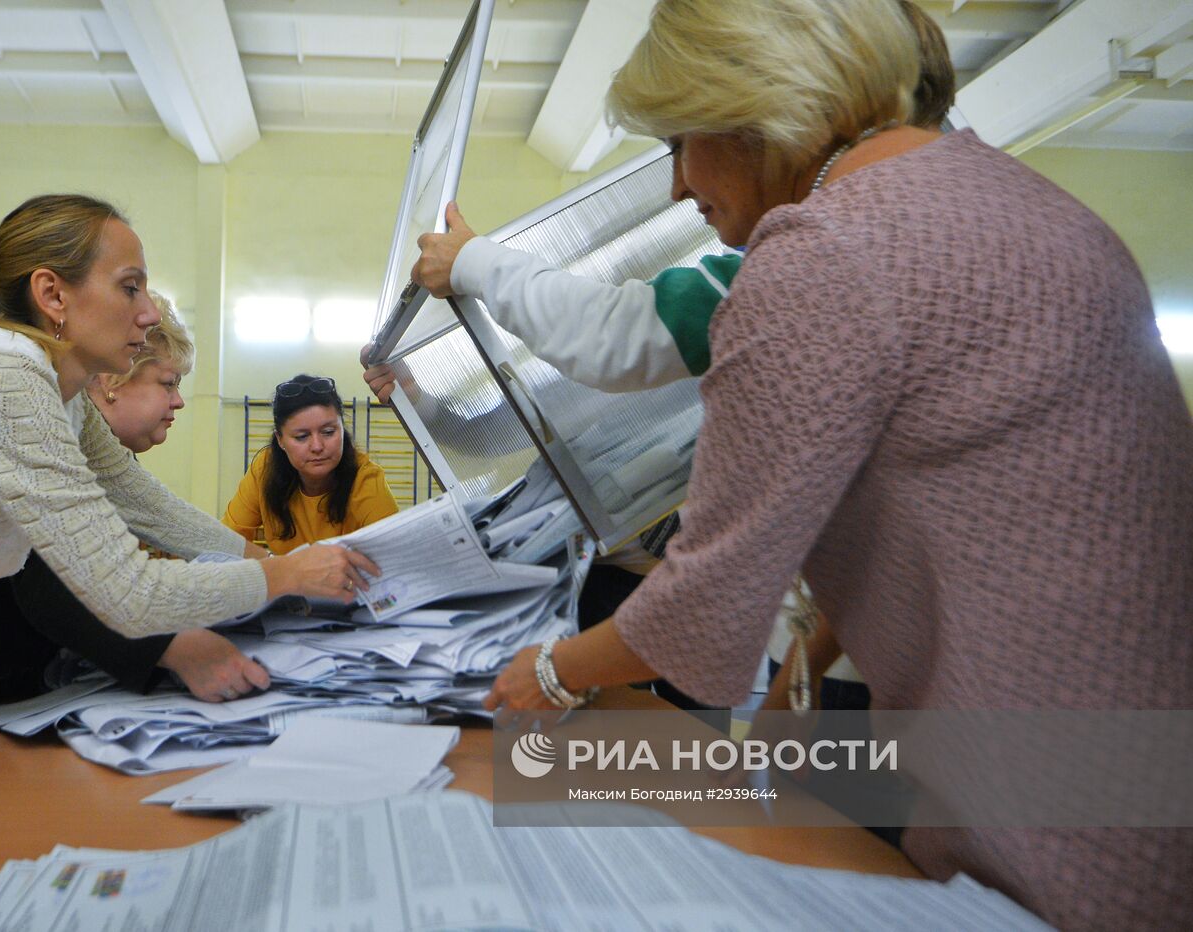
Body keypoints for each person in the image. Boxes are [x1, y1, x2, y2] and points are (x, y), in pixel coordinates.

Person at [416, 1, 1193, 927]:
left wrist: (548, 672)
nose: (677, 189)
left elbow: (701, 620)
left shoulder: (821, 252)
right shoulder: (1033, 208)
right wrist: (804, 669)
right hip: (1143, 787)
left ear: (755, 114)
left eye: (680, 142)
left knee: (553, 797)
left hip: (1053, 841)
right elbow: (970, 506)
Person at [372, 0, 961, 716]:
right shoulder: (929, 239)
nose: (679, 186)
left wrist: (476, 264)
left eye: (681, 143)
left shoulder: (809, 262)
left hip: (913, 684)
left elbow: (611, 334)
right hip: (849, 648)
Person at [0, 194, 377, 770]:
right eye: (130, 287)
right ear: (52, 294)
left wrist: (271, 559)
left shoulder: (54, 389)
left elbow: (144, 502)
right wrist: (281, 575)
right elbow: (129, 594)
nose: (147, 313)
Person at [0, 294, 268, 711]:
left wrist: (269, 567)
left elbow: (157, 510)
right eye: (168, 382)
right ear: (110, 379)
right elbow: (53, 572)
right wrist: (176, 645)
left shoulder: (89, 441)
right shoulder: (25, 415)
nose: (178, 401)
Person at [222, 375, 399, 555]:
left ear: (342, 430)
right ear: (280, 439)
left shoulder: (366, 477)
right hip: (287, 580)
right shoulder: (264, 469)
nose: (317, 446)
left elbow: (395, 555)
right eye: (302, 437)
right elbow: (225, 541)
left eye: (329, 432)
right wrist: (280, 567)